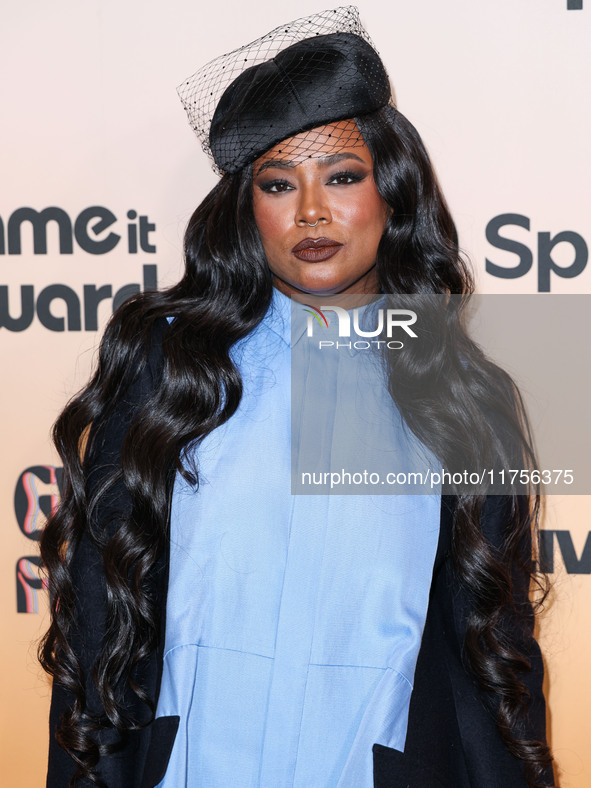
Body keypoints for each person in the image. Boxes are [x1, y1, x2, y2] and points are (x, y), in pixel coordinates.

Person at [39, 7, 555, 788]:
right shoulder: (174, 369)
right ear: (249, 210)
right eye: (278, 184)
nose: (310, 211)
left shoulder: (459, 395)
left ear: (393, 189)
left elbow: (493, 654)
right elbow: (99, 621)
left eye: (342, 177)